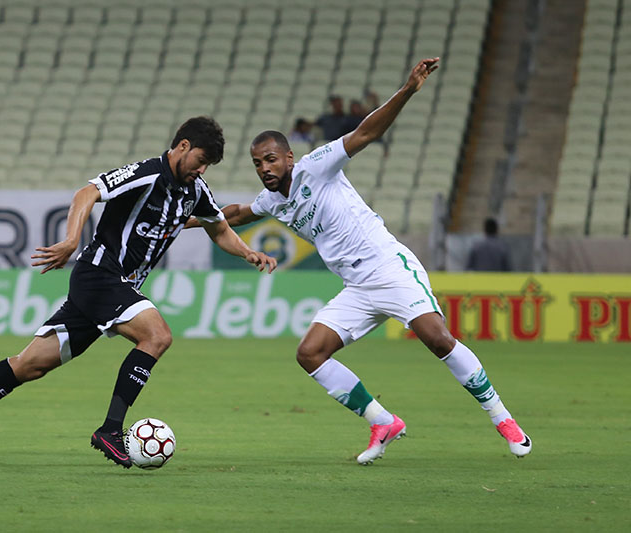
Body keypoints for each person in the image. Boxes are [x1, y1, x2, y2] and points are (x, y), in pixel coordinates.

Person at [190, 58, 532, 465]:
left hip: (388, 267)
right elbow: (233, 214)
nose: (265, 168)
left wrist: (406, 90)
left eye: (271, 159)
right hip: (357, 288)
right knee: (310, 353)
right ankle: (382, 421)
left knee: (437, 338)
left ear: (289, 157)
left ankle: (503, 420)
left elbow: (366, 132)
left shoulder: (318, 166)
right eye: (257, 163)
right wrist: (180, 220)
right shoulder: (271, 201)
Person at [0, 117, 277, 468]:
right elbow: (87, 193)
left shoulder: (195, 192)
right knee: (157, 335)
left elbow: (219, 229)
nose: (201, 170)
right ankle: (110, 429)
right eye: (200, 161)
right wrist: (72, 240)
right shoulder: (147, 173)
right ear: (182, 147)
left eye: (207, 166)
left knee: (28, 366)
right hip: (99, 275)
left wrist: (247, 251)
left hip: (113, 288)